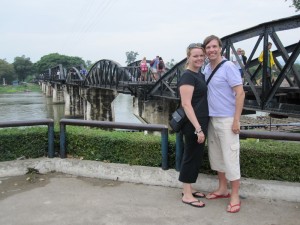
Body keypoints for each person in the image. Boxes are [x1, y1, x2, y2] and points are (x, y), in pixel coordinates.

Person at [202, 35, 245, 213]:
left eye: (214, 47)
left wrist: (236, 120)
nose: (211, 50)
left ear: (220, 48)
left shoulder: (229, 67)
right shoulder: (206, 69)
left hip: (227, 119)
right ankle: (222, 189)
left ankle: (234, 195)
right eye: (208, 47)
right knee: (217, 156)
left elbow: (240, 93)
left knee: (231, 157)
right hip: (212, 119)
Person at [178, 43, 209, 208]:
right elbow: (186, 104)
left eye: (201, 56)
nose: (199, 58)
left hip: (200, 122)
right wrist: (198, 129)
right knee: (190, 156)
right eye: (195, 56)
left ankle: (188, 188)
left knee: (195, 157)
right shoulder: (188, 76)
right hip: (193, 124)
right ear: (188, 57)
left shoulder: (200, 75)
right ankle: (187, 195)